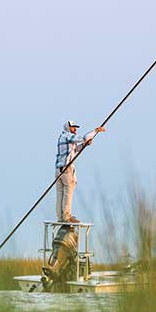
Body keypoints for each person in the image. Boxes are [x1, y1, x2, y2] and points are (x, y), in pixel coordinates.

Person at [43, 120, 106, 285]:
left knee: (60, 193)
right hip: (66, 170)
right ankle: (66, 215)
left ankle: (62, 215)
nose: (74, 129)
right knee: (68, 191)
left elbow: (76, 149)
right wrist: (96, 131)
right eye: (73, 127)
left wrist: (85, 145)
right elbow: (82, 137)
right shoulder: (67, 136)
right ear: (67, 127)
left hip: (58, 170)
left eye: (75, 128)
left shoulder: (64, 138)